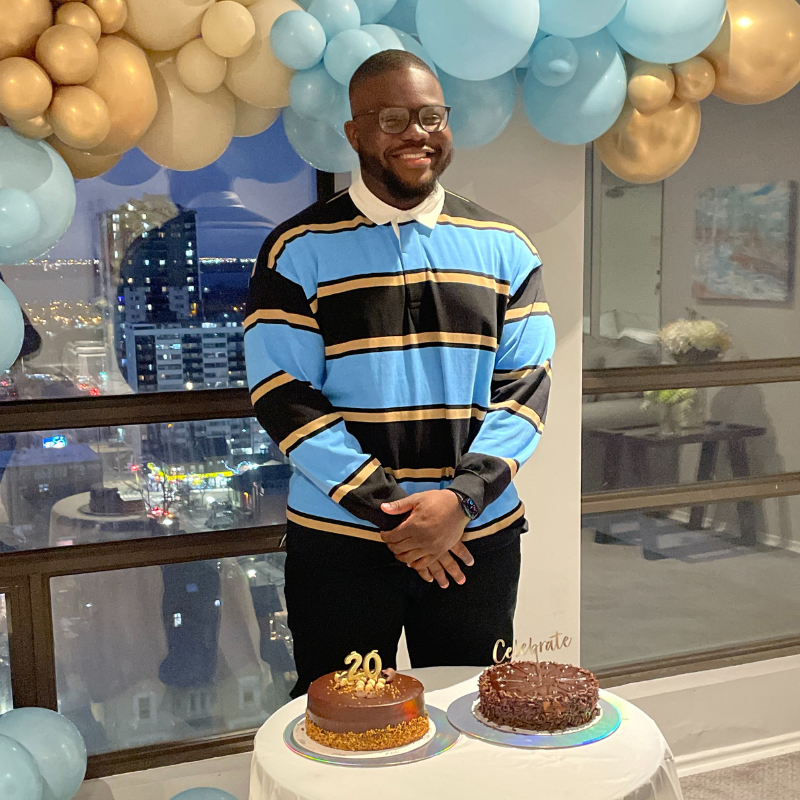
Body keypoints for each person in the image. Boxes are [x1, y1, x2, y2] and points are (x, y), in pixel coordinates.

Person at [245, 50, 556, 697]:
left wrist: (458, 501)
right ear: (354, 134)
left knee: (474, 719)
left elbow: (524, 390)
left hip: (474, 537)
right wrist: (396, 513)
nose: (417, 131)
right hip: (342, 544)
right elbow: (283, 394)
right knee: (340, 732)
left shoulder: (507, 247)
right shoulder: (295, 248)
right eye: (393, 118)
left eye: (431, 116)